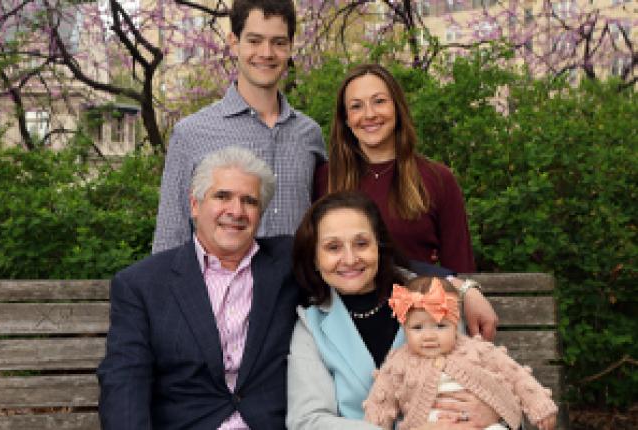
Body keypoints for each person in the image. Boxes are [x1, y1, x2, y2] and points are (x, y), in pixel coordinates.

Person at [98, 147, 299, 429]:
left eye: (250, 201)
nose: (236, 211)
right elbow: (125, 382)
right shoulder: (143, 285)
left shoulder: (290, 265)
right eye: (222, 196)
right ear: (195, 204)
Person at [287, 191, 499, 429]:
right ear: (315, 259)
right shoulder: (311, 325)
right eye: (333, 247)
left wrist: (494, 412)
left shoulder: (429, 296)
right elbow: (307, 420)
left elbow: (486, 381)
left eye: (361, 243)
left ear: (379, 244)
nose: (349, 258)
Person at [153, 0, 326, 253]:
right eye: (254, 41)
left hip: (296, 290)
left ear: (290, 47)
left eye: (278, 42)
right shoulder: (191, 133)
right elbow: (170, 239)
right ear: (234, 43)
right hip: (218, 291)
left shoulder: (309, 135)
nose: (266, 53)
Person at [314, 63, 474, 273]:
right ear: (345, 119)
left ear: (397, 108)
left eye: (379, 101)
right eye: (356, 106)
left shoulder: (437, 178)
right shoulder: (325, 178)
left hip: (417, 303)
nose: (369, 114)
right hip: (342, 305)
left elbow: (460, 268)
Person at [364, 276, 558, 430]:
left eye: (440, 326)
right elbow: (379, 404)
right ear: (404, 328)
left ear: (455, 323)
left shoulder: (478, 350)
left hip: (481, 424)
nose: (429, 336)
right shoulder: (397, 364)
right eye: (417, 328)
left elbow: (516, 375)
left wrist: (539, 405)